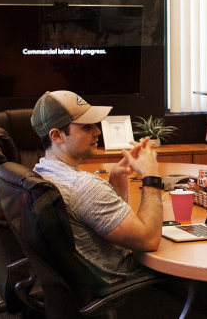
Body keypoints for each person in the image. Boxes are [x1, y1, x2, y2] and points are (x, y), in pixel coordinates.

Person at [30, 90, 164, 286]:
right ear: (57, 135)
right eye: (86, 127)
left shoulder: (40, 171)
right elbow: (149, 240)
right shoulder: (83, 187)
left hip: (84, 290)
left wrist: (117, 178)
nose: (97, 131)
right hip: (126, 289)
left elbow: (109, 224)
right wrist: (151, 176)